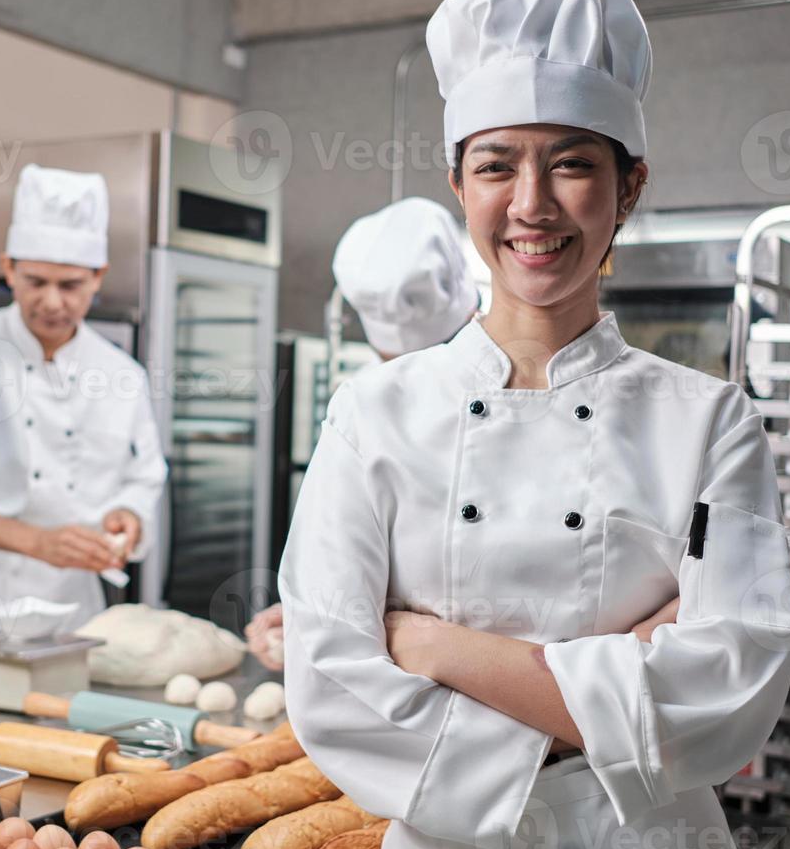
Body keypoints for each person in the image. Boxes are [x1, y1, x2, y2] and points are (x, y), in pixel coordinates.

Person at [279, 0, 790, 849]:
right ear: (458, 184)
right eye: (495, 165)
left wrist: (436, 649)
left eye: (570, 162)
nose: (531, 204)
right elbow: (329, 682)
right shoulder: (373, 414)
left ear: (628, 186)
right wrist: (625, 677)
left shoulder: (710, 422)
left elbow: (734, 682)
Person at [248, 196, 681, 669]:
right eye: (395, 361)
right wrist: (312, 614)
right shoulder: (366, 408)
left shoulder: (651, 413)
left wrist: (425, 645)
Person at [0, 164, 168, 679]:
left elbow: (145, 476)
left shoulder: (122, 375)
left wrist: (127, 517)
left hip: (76, 621)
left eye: (70, 285)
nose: (52, 301)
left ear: (98, 277)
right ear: (8, 268)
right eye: (35, 281)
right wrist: (39, 542)